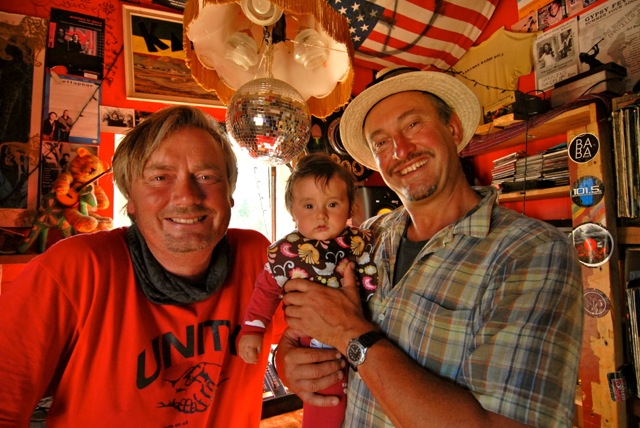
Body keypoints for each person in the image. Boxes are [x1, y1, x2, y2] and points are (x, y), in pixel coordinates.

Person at [276, 69, 583, 427]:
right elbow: (310, 324)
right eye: (381, 143)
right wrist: (287, 362)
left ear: (453, 129)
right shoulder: (367, 237)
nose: (400, 151)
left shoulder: (532, 253)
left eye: (412, 125)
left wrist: (349, 333)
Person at [0, 106, 283, 427]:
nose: (186, 196)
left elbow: (300, 338)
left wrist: (293, 361)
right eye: (160, 178)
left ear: (229, 194)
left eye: (206, 176)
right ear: (130, 201)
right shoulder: (74, 269)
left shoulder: (256, 257)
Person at [238, 152, 378, 428]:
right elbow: (265, 291)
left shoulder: (363, 241)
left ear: (350, 208)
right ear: (294, 211)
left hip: (365, 337)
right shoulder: (286, 252)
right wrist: (253, 330)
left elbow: (375, 279)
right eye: (309, 206)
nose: (321, 214)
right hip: (315, 344)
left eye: (333, 204)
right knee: (326, 403)